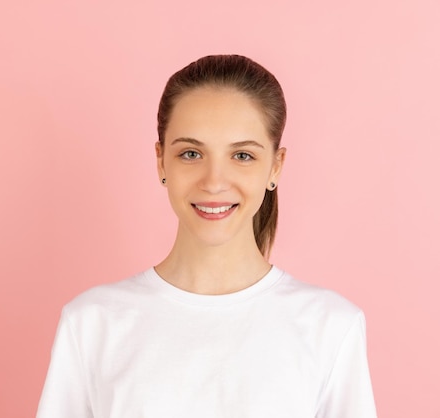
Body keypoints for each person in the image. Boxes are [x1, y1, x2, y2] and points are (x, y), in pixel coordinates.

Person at [36, 55, 377, 418]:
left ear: (275, 166)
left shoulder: (331, 327)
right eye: (191, 153)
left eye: (242, 155)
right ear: (161, 160)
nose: (214, 181)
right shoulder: (92, 323)